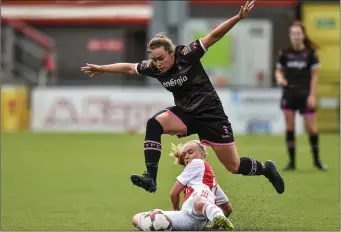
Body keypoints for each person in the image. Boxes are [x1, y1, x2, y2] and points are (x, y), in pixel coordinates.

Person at [81, 0, 285, 195]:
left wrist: (238, 17)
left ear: (171, 53)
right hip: (186, 114)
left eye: (161, 58)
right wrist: (102, 69)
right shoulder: (154, 68)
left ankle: (267, 169)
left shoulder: (187, 54)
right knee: (154, 123)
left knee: (234, 166)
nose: (158, 63)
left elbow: (213, 36)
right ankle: (150, 178)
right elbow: (129, 67)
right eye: (154, 59)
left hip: (211, 115)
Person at [132, 140, 233, 231]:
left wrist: (175, 209)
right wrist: (213, 227)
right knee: (141, 217)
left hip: (189, 214)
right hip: (193, 223)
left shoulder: (197, 163)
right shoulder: (213, 185)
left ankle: (152, 226)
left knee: (199, 200)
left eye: (190, 152)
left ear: (203, 154)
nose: (187, 157)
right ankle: (216, 214)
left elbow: (174, 193)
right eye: (184, 155)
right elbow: (228, 209)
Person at [275, 21, 327, 171]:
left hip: (305, 95)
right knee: (290, 127)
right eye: (293, 34)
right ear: (290, 36)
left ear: (303, 35)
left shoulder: (311, 54)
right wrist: (279, 78)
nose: (296, 36)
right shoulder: (284, 53)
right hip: (289, 95)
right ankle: (292, 163)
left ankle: (317, 161)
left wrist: (312, 95)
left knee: (311, 128)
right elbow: (278, 71)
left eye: (298, 33)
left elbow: (314, 76)